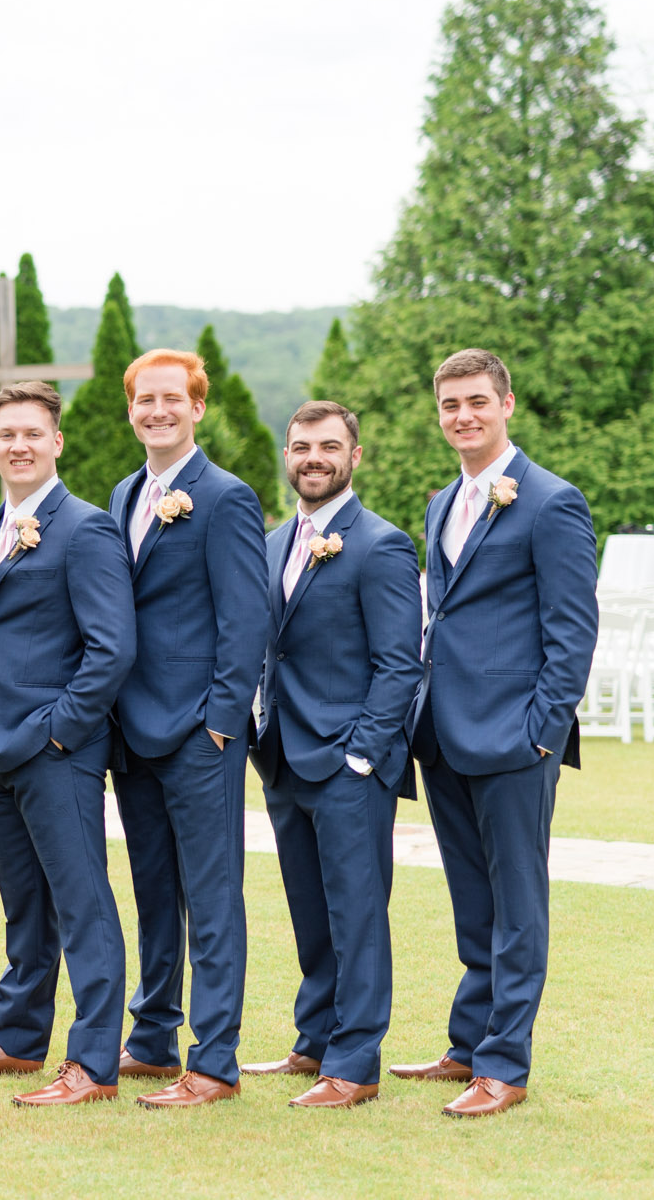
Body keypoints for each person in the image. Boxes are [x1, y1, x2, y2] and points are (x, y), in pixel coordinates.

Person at [393, 349, 596, 1118]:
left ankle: (504, 1066)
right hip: (442, 734)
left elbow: (573, 631)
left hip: (515, 739)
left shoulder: (552, 501)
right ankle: (468, 1044)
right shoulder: (442, 501)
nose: (463, 415)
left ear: (507, 402)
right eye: (450, 404)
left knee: (517, 905)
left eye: (477, 400)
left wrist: (542, 731)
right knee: (471, 901)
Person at [0, 380, 135, 1107]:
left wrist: (58, 732)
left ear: (56, 442)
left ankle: (93, 1064)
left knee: (83, 906)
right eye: (6, 433)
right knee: (27, 905)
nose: (18, 444)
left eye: (31, 433)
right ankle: (17, 1038)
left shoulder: (85, 527)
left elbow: (111, 648)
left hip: (55, 754)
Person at [243, 400, 424, 1108]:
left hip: (350, 764)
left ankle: (354, 1064)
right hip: (284, 757)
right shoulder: (272, 541)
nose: (311, 457)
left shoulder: (381, 544)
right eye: (299, 446)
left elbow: (400, 664)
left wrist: (362, 754)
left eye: (327, 446)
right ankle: (313, 1040)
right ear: (286, 456)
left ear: (355, 455)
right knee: (310, 913)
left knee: (356, 916)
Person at [102, 350, 267, 1110]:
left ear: (197, 408)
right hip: (133, 734)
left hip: (201, 736)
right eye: (145, 398)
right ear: (131, 409)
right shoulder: (124, 491)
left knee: (212, 896)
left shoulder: (226, 497)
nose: (157, 409)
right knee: (153, 892)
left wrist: (221, 727)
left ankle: (216, 1059)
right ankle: (152, 1036)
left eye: (173, 397)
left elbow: (245, 621)